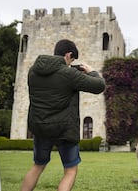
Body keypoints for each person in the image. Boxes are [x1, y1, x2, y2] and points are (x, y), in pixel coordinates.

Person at [20, 39, 106, 191]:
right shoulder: (69, 74)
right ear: (68, 55)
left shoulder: (33, 71)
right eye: (72, 59)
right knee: (70, 170)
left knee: (38, 165)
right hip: (64, 129)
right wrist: (91, 71)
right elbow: (99, 85)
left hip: (40, 127)